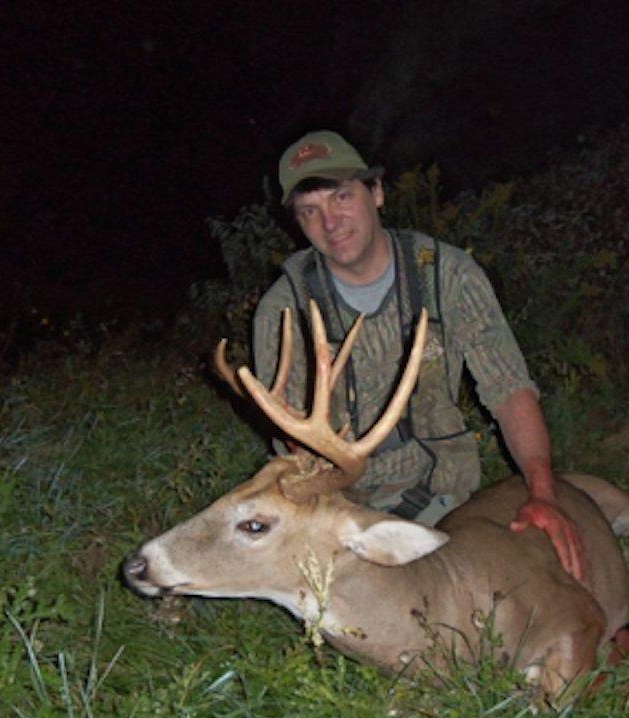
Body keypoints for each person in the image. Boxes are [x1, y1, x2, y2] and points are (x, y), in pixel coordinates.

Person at [251, 130, 585, 583]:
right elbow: (291, 434)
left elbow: (508, 391)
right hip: (339, 499)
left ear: (377, 192)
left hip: (441, 488)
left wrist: (543, 494)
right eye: (310, 212)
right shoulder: (283, 308)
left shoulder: (448, 276)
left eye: (342, 197)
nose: (330, 222)